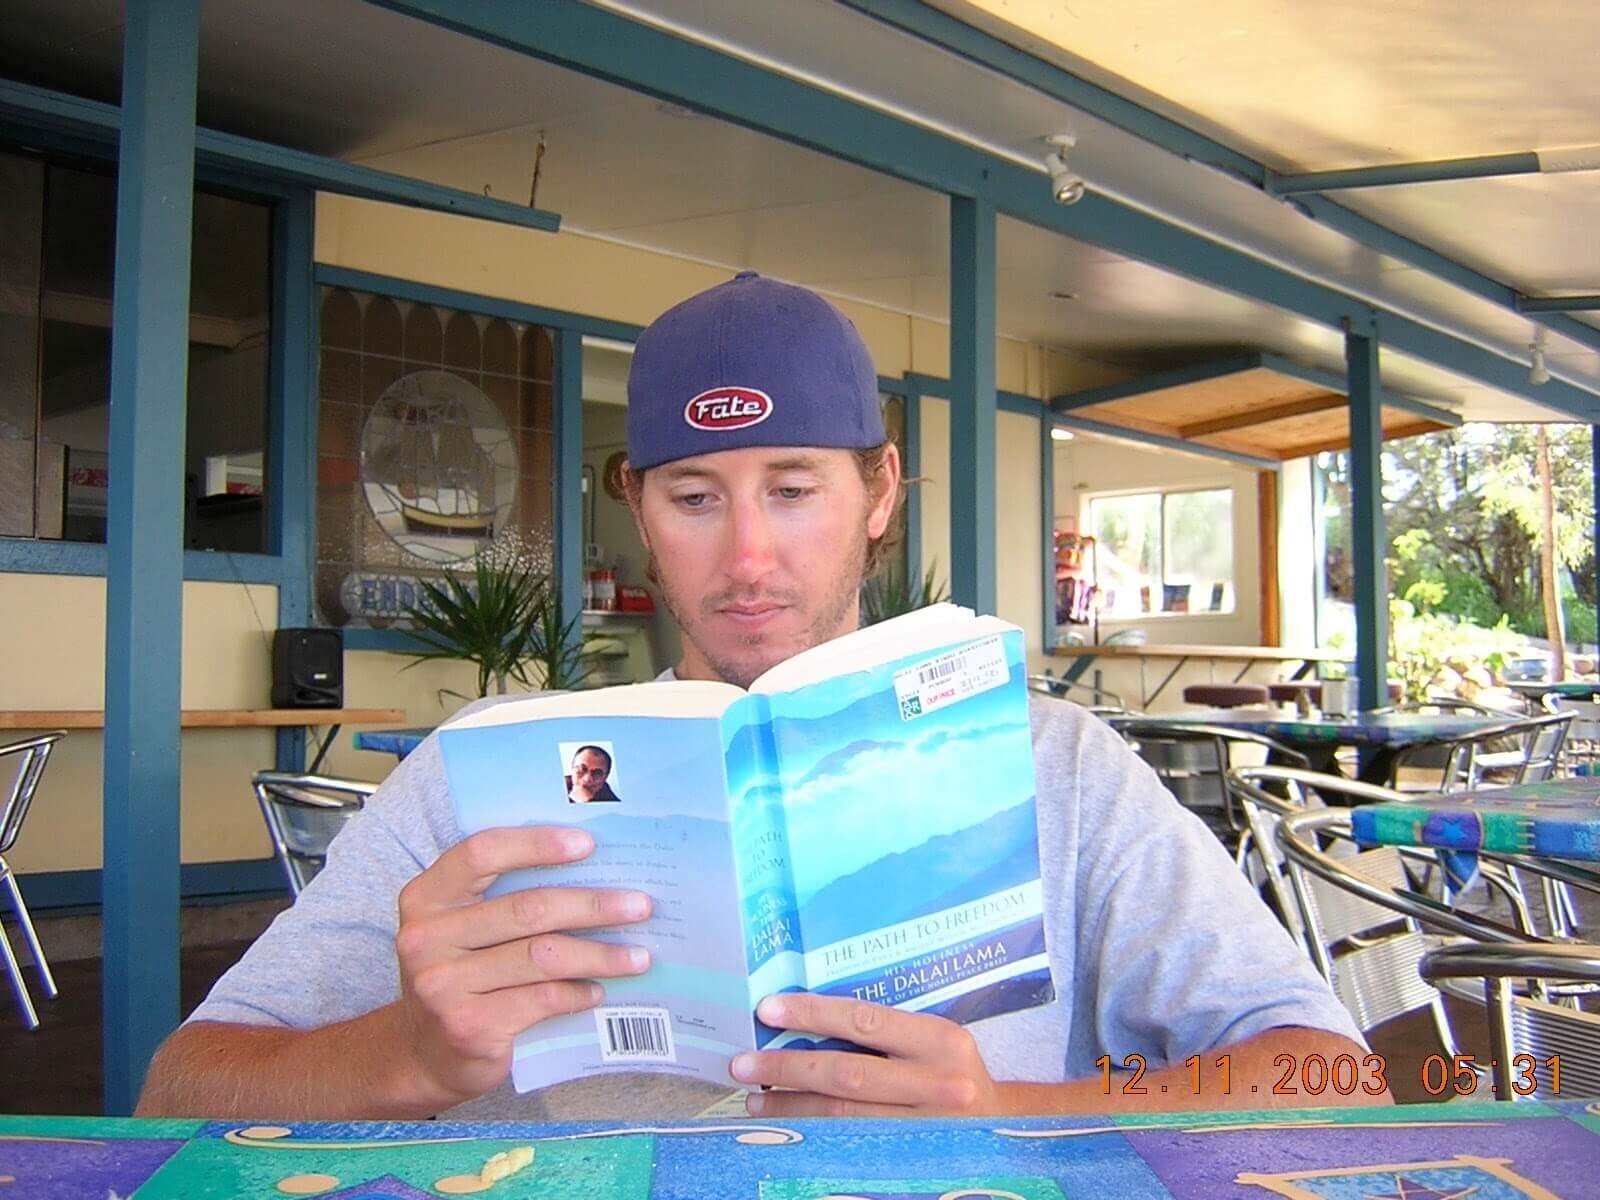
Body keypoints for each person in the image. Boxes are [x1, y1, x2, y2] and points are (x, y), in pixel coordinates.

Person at [138, 272, 1380, 1121]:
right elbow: (182, 1087)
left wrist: (1012, 1106)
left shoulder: (1054, 766)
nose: (744, 557)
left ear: (880, 493)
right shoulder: (483, 771)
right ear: (637, 504)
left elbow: (1336, 1077)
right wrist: (406, 1052)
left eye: (793, 489)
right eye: (694, 498)